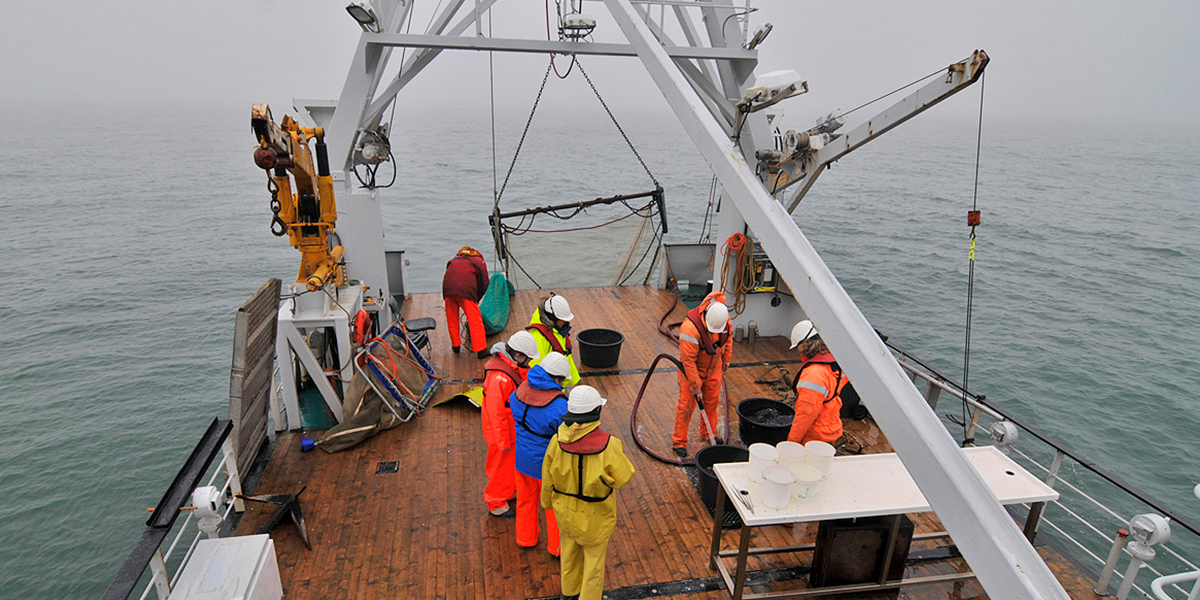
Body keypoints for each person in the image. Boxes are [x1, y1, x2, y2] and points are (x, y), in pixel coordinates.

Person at [542, 385, 635, 600]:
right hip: (596, 518)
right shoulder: (609, 444)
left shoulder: (556, 441)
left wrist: (547, 502)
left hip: (565, 514)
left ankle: (569, 593)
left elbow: (547, 477)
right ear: (596, 412)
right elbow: (624, 477)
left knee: (568, 556)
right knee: (593, 564)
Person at [509, 351, 572, 555]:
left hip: (522, 460)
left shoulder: (520, 390)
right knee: (555, 506)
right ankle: (557, 547)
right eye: (562, 380)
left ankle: (525, 538)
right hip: (547, 465)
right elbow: (567, 434)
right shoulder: (560, 405)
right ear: (556, 378)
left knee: (526, 500)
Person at [481, 331, 541, 517]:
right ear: (519, 355)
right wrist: (502, 442)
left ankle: (507, 491)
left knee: (508, 466)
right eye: (528, 358)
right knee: (500, 468)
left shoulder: (508, 369)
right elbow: (495, 412)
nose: (529, 362)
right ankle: (496, 502)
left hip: (510, 430)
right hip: (503, 432)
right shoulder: (500, 378)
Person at [672, 291, 732, 457]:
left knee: (712, 401)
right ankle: (679, 442)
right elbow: (688, 361)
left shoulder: (722, 318)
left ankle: (709, 433)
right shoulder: (689, 329)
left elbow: (728, 338)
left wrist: (726, 358)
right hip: (693, 370)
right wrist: (695, 385)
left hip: (715, 367)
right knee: (686, 405)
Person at [786, 320, 847, 445]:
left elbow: (805, 415)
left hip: (814, 436)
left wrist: (792, 443)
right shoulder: (835, 363)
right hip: (831, 427)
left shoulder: (813, 375)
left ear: (804, 346)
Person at [442, 246, 490, 358]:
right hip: (466, 292)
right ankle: (481, 349)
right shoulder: (478, 260)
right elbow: (485, 283)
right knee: (475, 321)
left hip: (448, 291)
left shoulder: (454, 259)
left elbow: (449, 274)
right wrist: (476, 299)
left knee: (452, 318)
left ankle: (455, 345)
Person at [526, 294, 581, 385]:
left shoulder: (557, 331)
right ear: (552, 318)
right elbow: (536, 371)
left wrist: (573, 380)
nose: (565, 322)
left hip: (559, 383)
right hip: (550, 388)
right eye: (561, 319)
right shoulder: (539, 338)